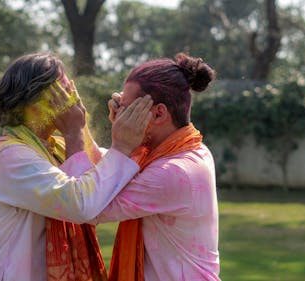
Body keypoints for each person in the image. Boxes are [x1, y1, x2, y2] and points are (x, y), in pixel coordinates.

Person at [0, 53, 153, 281]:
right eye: (64, 91)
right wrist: (74, 132)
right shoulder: (8, 157)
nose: (72, 99)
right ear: (36, 100)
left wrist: (124, 127)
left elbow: (104, 179)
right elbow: (80, 204)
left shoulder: (55, 148)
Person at [94, 53, 220, 281]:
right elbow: (117, 173)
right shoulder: (189, 150)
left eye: (128, 109)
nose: (122, 116)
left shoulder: (174, 171)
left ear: (159, 113)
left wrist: (117, 143)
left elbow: (92, 205)